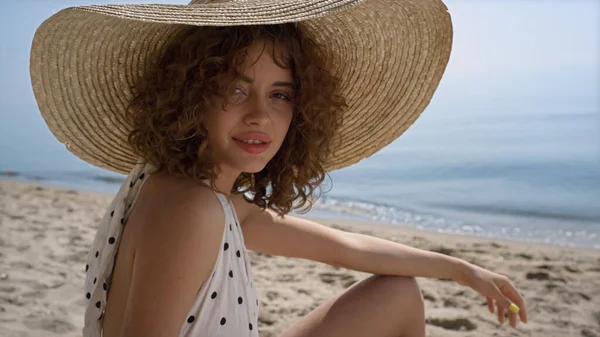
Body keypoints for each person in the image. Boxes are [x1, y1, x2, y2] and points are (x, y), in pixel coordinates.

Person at [29, 0, 528, 336]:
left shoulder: (200, 194)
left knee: (397, 293)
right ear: (188, 94)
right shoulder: (191, 209)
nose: (260, 116)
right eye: (234, 88)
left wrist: (464, 270)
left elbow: (342, 247)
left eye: (280, 94)